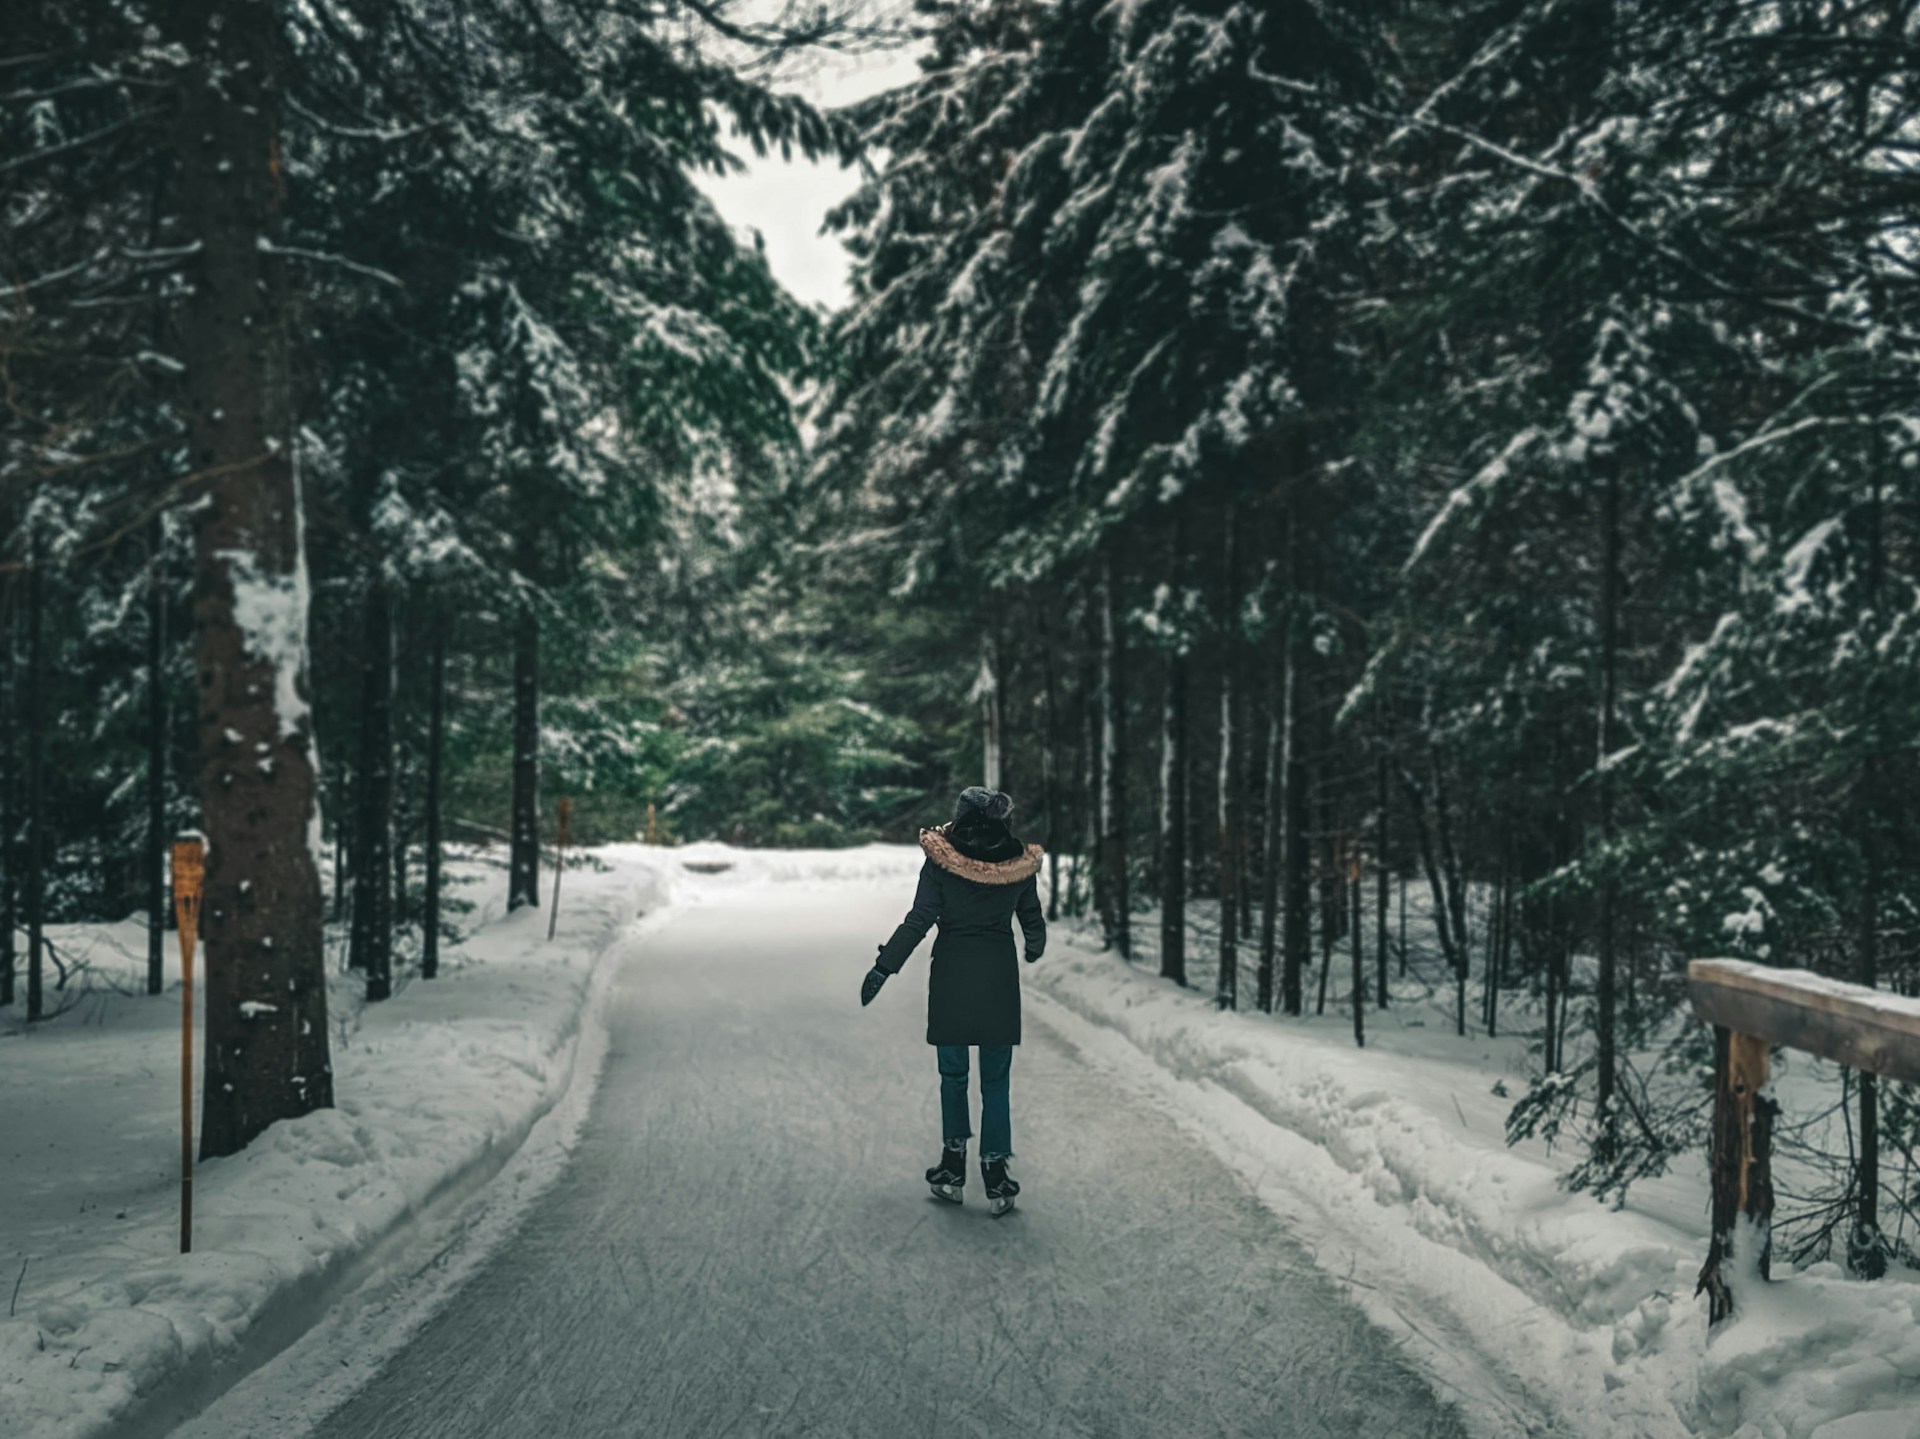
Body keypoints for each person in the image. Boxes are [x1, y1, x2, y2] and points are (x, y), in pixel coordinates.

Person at [859, 786, 1046, 1215]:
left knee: (954, 1075)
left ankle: (952, 1165)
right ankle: (996, 1172)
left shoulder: (940, 862)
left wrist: (884, 967)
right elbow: (1031, 917)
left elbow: (919, 919)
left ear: (961, 817)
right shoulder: (1018, 863)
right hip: (998, 976)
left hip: (952, 975)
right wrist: (1034, 945)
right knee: (996, 1080)